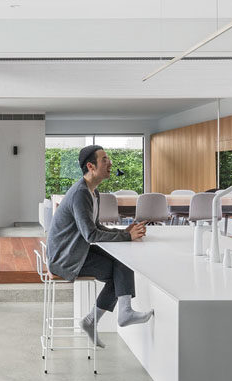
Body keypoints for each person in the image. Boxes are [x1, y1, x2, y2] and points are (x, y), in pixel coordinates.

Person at [46, 144, 153, 347]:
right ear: (91, 166)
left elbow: (95, 227)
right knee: (118, 266)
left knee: (121, 259)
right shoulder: (80, 194)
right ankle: (119, 313)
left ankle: (100, 317)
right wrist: (126, 237)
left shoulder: (94, 193)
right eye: (105, 160)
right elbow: (91, 235)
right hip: (66, 257)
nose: (110, 163)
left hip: (76, 249)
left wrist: (125, 232)